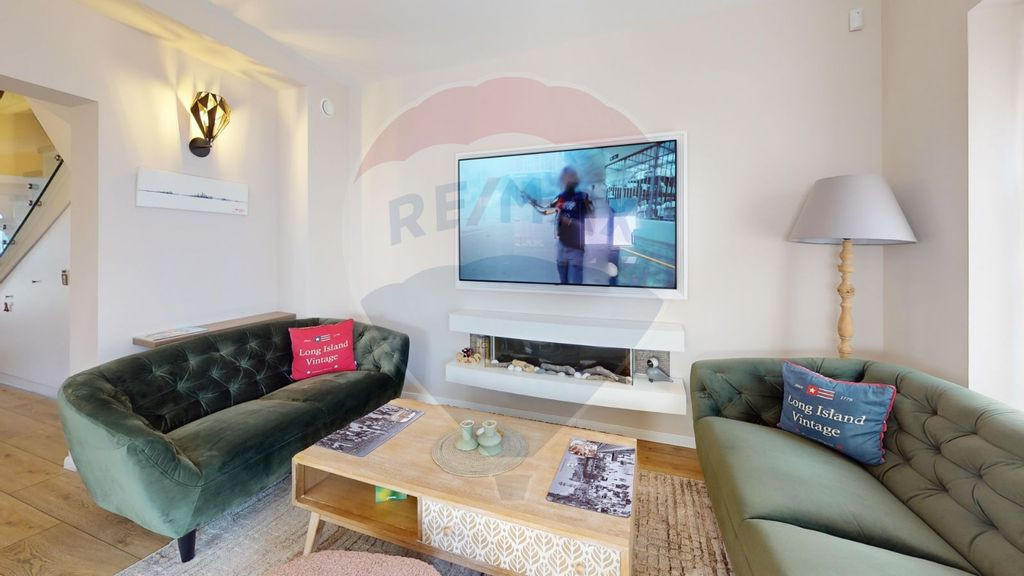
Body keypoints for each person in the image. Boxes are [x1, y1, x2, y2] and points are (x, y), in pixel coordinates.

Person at [523, 166, 593, 284]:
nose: (568, 180)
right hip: (562, 245)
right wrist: (531, 201)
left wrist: (569, 221)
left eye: (571, 176)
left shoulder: (583, 197)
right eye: (565, 177)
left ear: (576, 179)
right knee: (563, 283)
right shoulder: (561, 197)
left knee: (576, 286)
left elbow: (591, 220)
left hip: (576, 247)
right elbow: (545, 210)